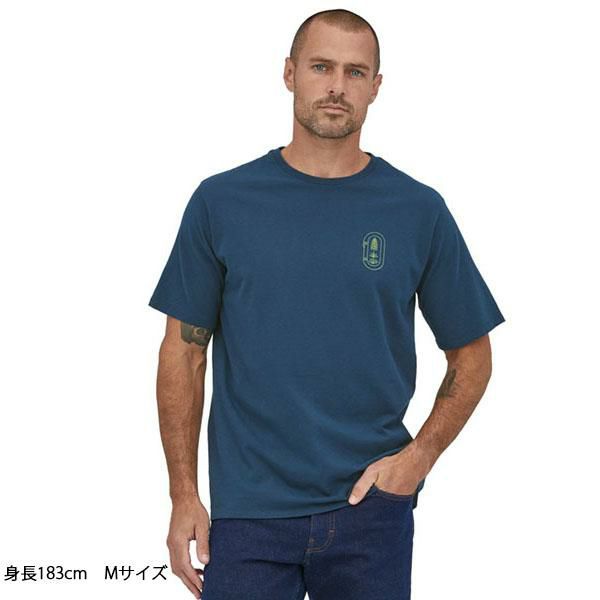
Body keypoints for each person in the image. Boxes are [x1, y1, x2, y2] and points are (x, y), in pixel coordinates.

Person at [148, 8, 506, 600]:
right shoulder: (221, 202)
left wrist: (417, 461)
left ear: (376, 86)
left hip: (372, 510)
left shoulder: (418, 210)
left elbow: (473, 355)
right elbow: (183, 353)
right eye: (321, 67)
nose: (337, 86)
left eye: (355, 72)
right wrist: (183, 494)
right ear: (290, 73)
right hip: (248, 515)